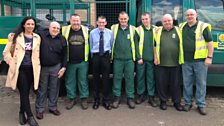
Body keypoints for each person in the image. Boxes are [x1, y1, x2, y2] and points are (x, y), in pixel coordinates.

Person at [3, 16, 41, 126]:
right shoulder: (15, 37)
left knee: (26, 91)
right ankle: (29, 116)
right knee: (24, 92)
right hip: (20, 70)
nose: (30, 26)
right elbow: (6, 53)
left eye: (32, 24)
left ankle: (21, 112)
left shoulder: (37, 38)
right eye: (28, 24)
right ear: (23, 25)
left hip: (32, 69)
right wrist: (11, 63)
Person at [179, 9, 213, 115]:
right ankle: (188, 103)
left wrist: (209, 57)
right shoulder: (182, 26)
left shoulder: (203, 26)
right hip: (186, 61)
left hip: (200, 61)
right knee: (187, 83)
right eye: (187, 15)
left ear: (196, 15)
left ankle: (201, 105)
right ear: (185, 16)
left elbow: (210, 43)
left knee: (201, 83)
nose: (189, 16)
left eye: (191, 15)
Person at [35, 21, 67, 119]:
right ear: (49, 27)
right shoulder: (42, 36)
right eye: (54, 27)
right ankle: (40, 109)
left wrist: (64, 67)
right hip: (43, 67)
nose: (56, 30)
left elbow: (65, 54)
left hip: (56, 67)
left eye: (57, 28)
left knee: (54, 88)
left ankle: (52, 107)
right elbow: (29, 32)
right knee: (42, 89)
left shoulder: (62, 39)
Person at [154, 14, 184, 111]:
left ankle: (177, 102)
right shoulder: (158, 31)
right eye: (165, 21)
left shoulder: (179, 30)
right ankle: (163, 101)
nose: (167, 23)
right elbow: (155, 46)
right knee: (161, 84)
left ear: (172, 21)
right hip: (161, 63)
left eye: (169, 20)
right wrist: (155, 58)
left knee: (175, 84)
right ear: (162, 22)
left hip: (175, 63)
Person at [62, 14, 89, 110]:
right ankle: (71, 99)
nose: (76, 23)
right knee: (70, 81)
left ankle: (84, 99)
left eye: (77, 21)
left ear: (80, 21)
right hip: (70, 62)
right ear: (70, 21)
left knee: (83, 81)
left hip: (83, 61)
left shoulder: (86, 30)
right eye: (74, 21)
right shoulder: (64, 30)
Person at [111, 11, 137, 109]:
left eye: (125, 19)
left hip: (129, 60)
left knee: (130, 79)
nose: (123, 20)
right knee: (116, 78)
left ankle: (130, 98)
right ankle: (116, 98)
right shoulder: (113, 28)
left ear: (128, 19)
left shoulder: (133, 29)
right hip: (117, 59)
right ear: (118, 19)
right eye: (121, 19)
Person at [90, 16, 114, 110]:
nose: (101, 24)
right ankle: (96, 100)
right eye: (99, 22)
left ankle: (106, 100)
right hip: (96, 56)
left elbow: (111, 44)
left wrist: (109, 56)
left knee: (106, 79)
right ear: (97, 22)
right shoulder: (92, 33)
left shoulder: (110, 33)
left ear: (106, 23)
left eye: (103, 22)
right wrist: (93, 57)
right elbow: (91, 44)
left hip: (105, 56)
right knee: (95, 79)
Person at [135, 12, 157, 107]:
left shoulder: (156, 29)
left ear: (150, 18)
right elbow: (135, 45)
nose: (144, 21)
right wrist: (139, 57)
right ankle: (140, 95)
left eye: (146, 19)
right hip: (141, 60)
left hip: (152, 59)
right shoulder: (138, 30)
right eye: (143, 19)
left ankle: (151, 97)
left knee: (151, 78)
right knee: (140, 78)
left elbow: (158, 44)